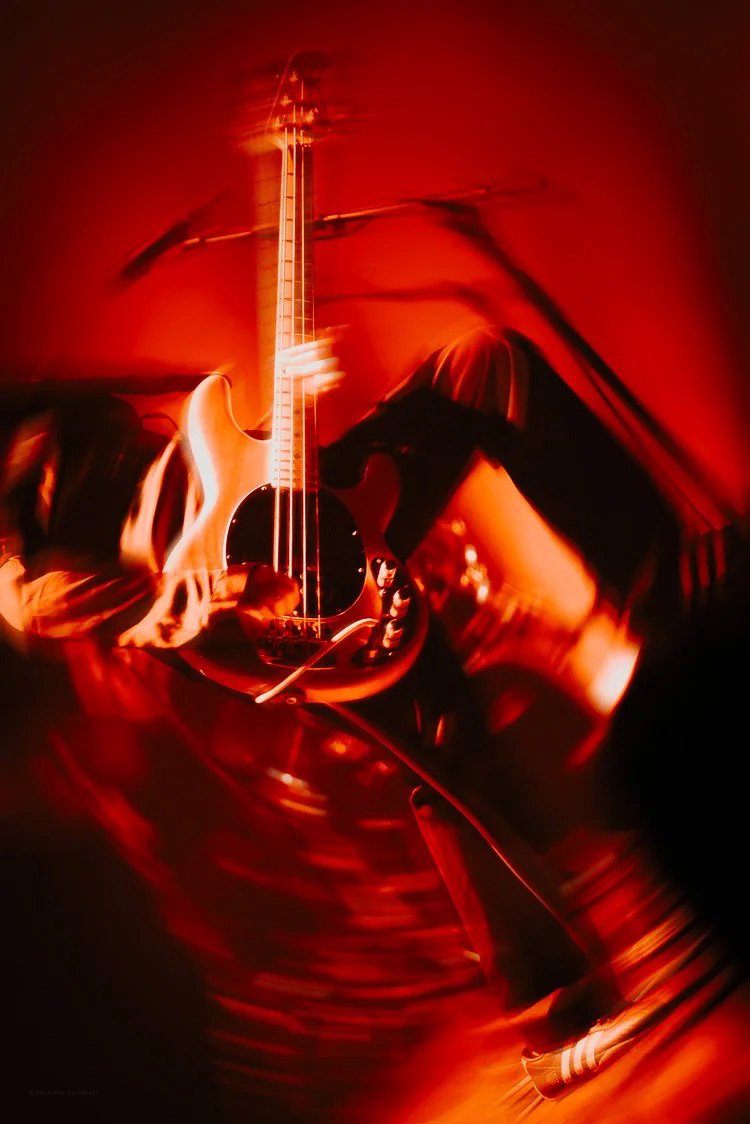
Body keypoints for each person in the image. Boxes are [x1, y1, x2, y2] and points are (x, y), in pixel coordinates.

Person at [0, 326, 721, 1096]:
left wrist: (286, 403)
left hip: (295, 505)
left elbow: (203, 413)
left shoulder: (46, 395)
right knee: (449, 755)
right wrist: (226, 590)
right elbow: (43, 602)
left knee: (483, 368)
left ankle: (679, 611)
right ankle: (559, 1018)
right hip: (257, 613)